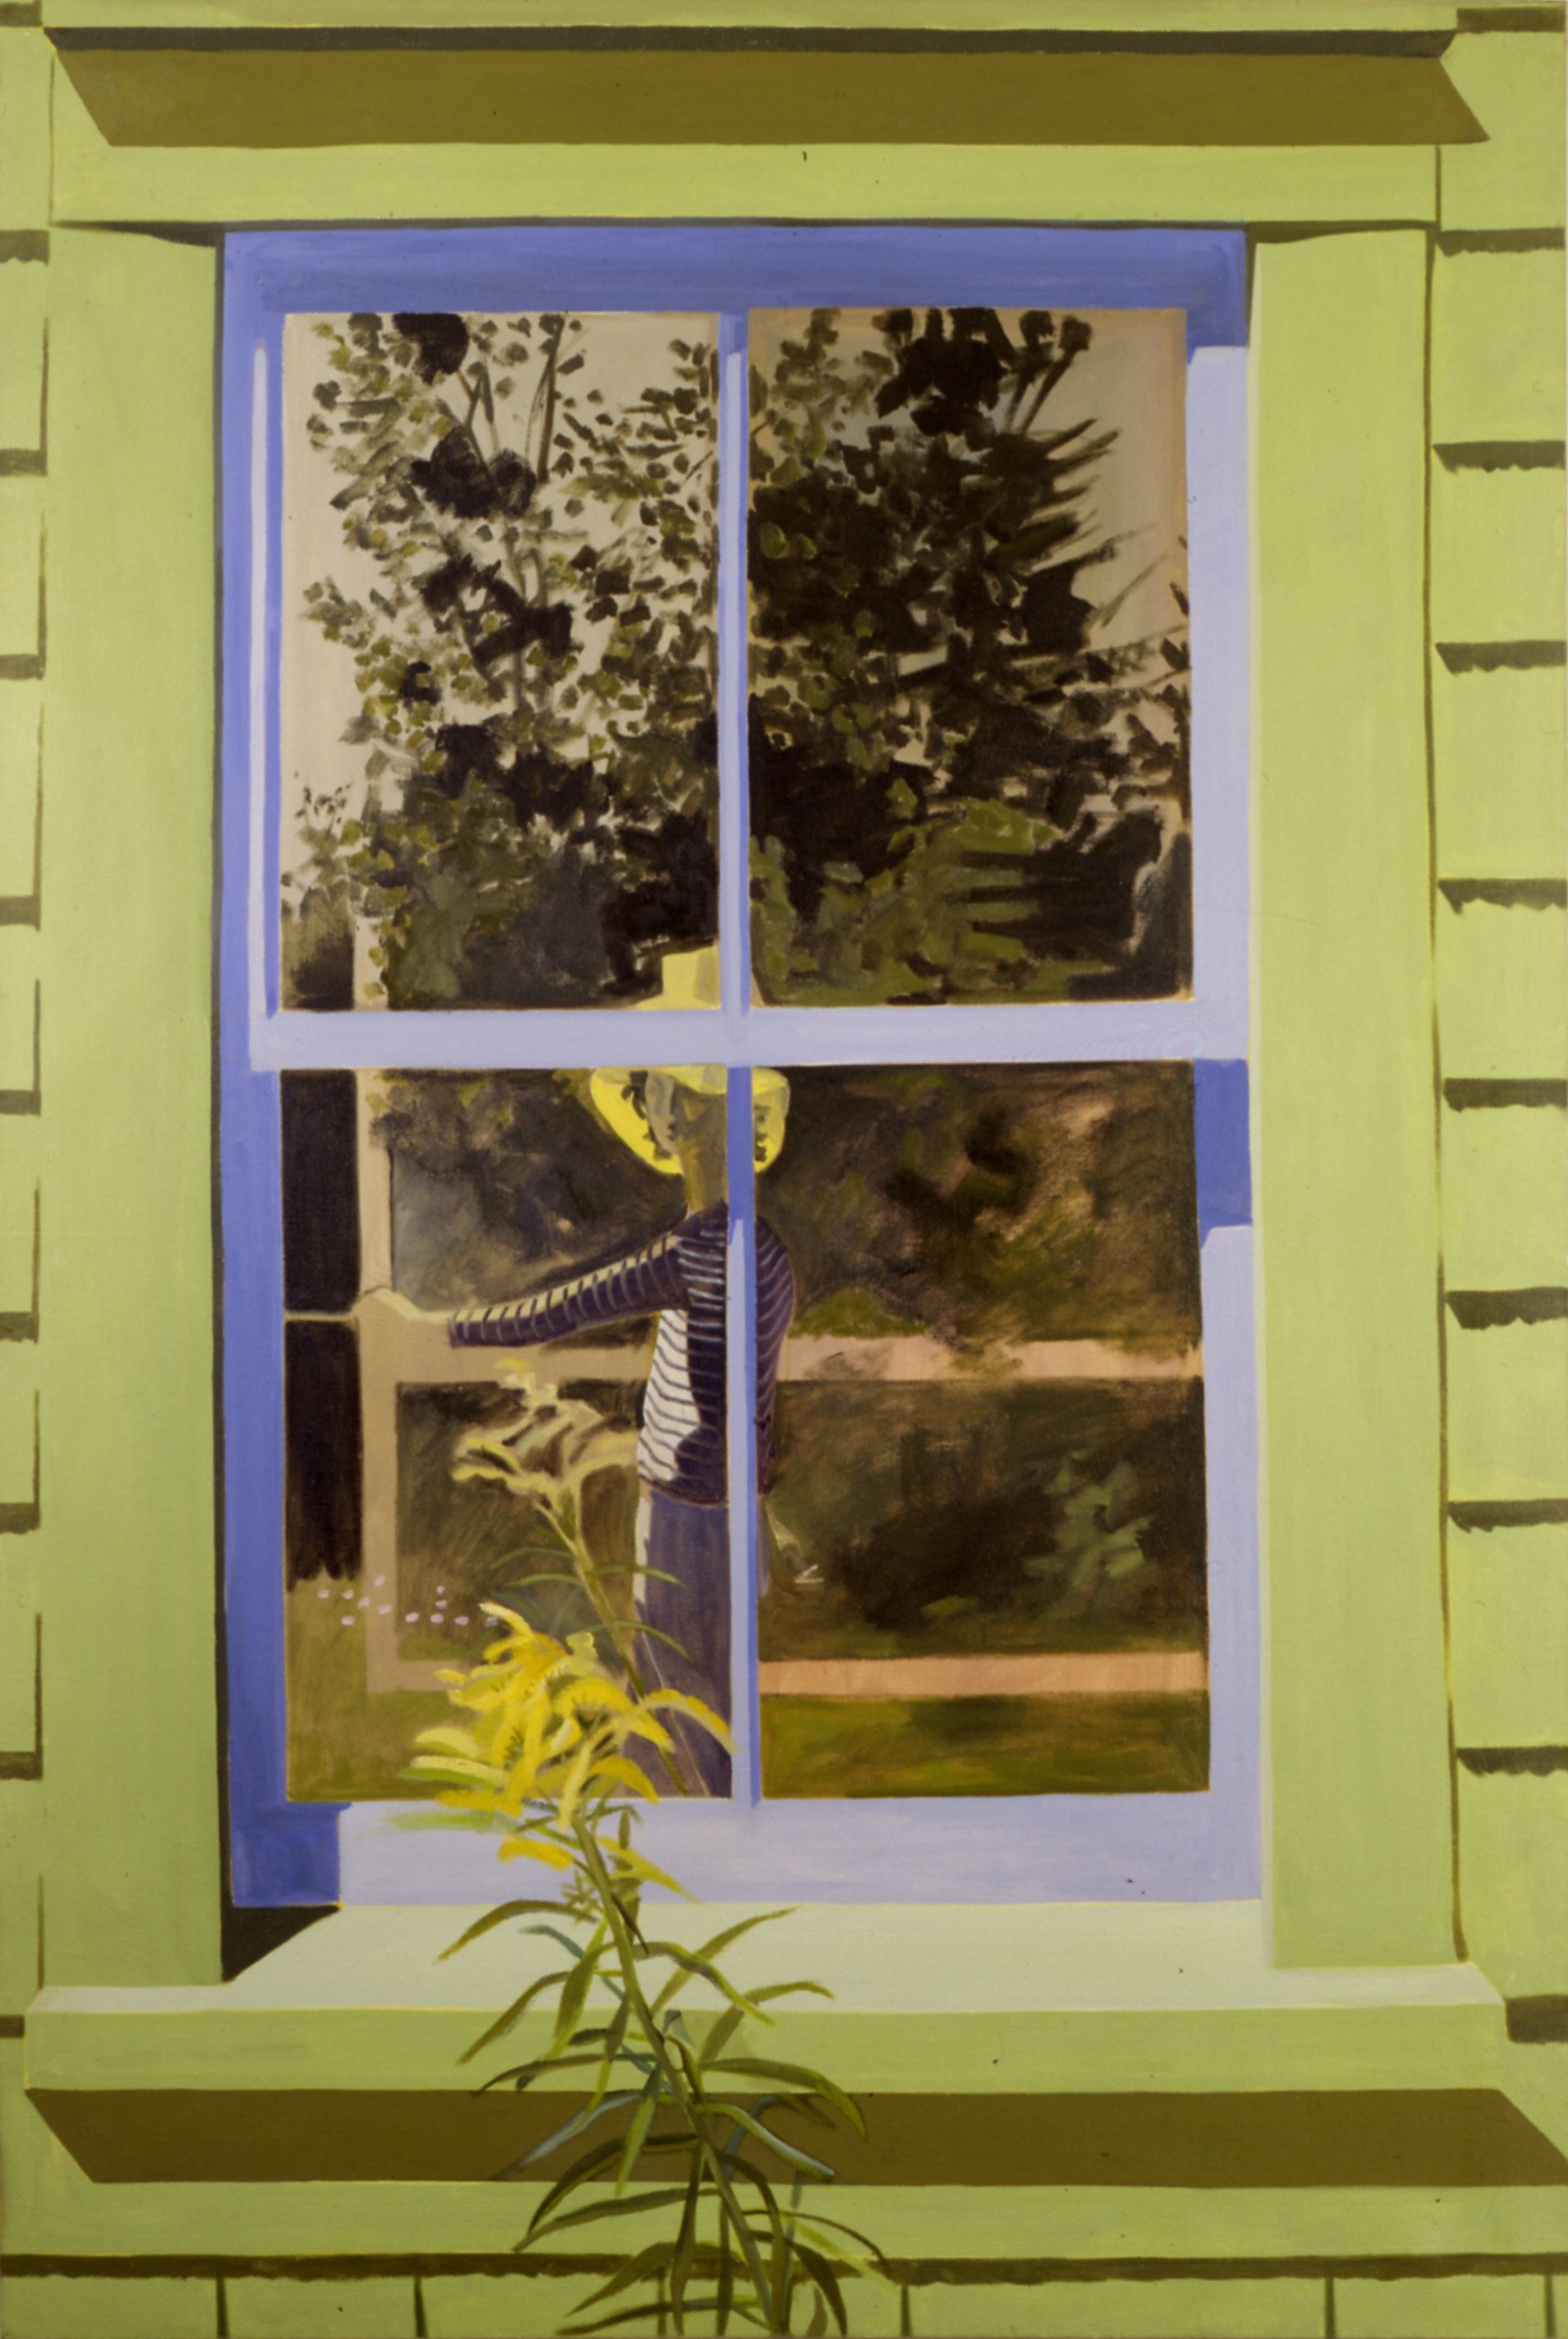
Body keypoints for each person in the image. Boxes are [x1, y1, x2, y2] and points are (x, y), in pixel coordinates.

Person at [449, 1055, 793, 1798]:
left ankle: (713, 1843)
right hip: (729, 1508)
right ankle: (724, 1831)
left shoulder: (699, 1250)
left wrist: (448, 1329)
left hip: (689, 1515)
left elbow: (558, 1309)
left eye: (672, 1112)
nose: (661, 1126)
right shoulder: (763, 1250)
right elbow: (750, 1401)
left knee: (686, 1695)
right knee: (711, 1698)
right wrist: (761, 1507)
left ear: (686, 1126)